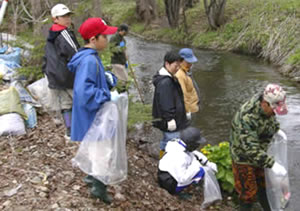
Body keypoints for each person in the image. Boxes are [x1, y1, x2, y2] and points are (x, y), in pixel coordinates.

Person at [67, 17, 118, 204]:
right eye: (104, 36)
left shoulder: (89, 57)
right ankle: (99, 189)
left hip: (89, 115)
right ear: (93, 39)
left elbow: (89, 82)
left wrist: (106, 79)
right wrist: (106, 95)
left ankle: (91, 178)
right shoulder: (89, 61)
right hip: (93, 115)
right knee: (101, 152)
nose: (107, 39)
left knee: (94, 149)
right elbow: (84, 92)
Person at [229, 83, 288, 211]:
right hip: (243, 157)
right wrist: (273, 164)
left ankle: (269, 208)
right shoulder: (247, 117)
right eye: (274, 110)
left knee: (265, 186)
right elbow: (251, 150)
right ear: (265, 104)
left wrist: (277, 130)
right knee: (248, 193)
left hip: (261, 153)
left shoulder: (267, 110)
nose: (275, 114)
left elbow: (271, 121)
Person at [42, 3, 80, 139]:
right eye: (63, 16)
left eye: (68, 15)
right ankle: (83, 127)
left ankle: (69, 130)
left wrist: (46, 71)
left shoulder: (52, 33)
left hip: (54, 75)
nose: (67, 19)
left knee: (65, 103)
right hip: (67, 74)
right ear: (55, 18)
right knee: (80, 100)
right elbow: (75, 53)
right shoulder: (63, 33)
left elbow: (46, 55)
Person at [158, 127, 217, 195]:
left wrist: (207, 162)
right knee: (201, 172)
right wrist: (197, 167)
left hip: (166, 175)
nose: (198, 145)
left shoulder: (177, 144)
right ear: (191, 144)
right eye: (197, 144)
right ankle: (179, 192)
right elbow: (183, 178)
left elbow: (194, 153)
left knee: (197, 168)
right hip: (169, 184)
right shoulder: (180, 156)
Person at [152, 51, 189, 159]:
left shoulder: (168, 77)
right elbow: (165, 102)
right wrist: (170, 119)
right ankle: (166, 164)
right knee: (172, 143)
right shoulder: (165, 82)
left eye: (179, 65)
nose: (178, 68)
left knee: (166, 142)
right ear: (167, 64)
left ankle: (162, 161)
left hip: (173, 119)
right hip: (171, 122)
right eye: (175, 65)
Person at [175, 48, 200, 121]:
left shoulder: (187, 71)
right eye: (188, 62)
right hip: (188, 112)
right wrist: (187, 111)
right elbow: (183, 95)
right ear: (180, 61)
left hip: (193, 108)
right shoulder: (180, 75)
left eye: (191, 62)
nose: (191, 64)